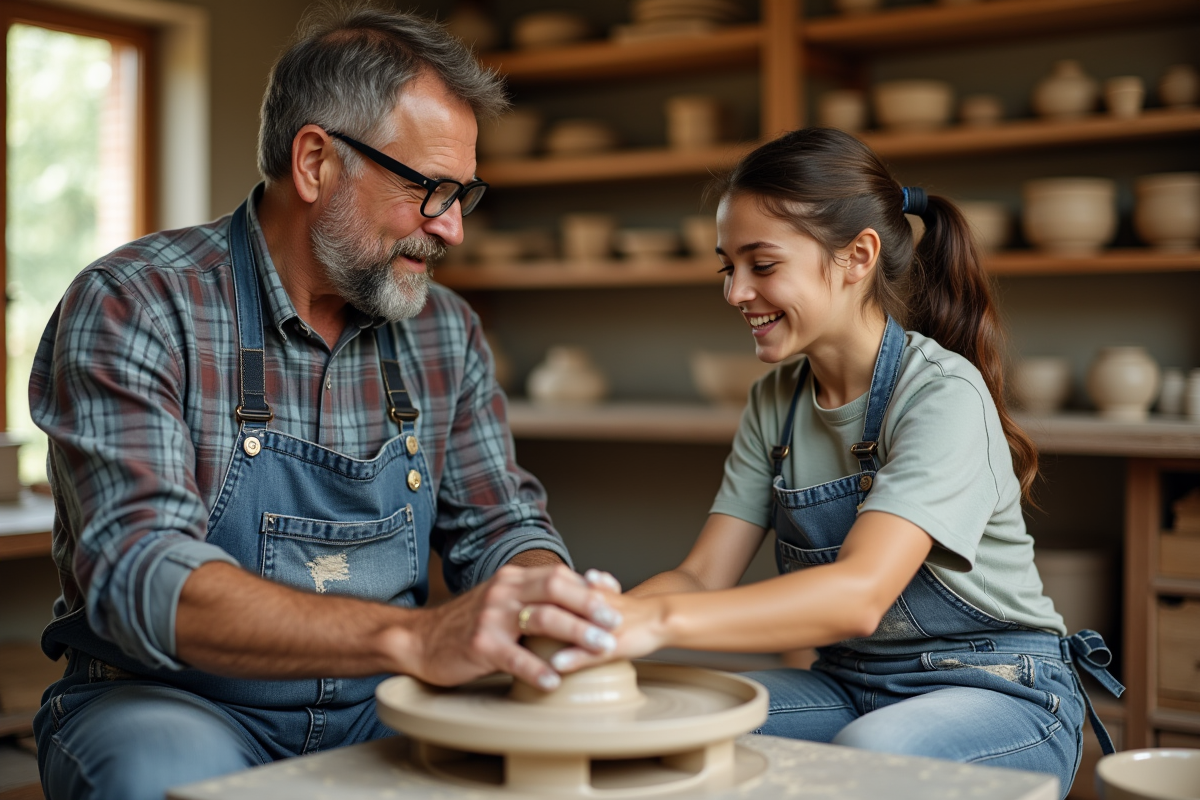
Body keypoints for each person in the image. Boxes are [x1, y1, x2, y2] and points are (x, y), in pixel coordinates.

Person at [29, 8, 622, 800]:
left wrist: (546, 593)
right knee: (161, 775)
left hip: (382, 703)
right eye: (429, 189)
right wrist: (414, 636)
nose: (452, 229)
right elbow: (144, 574)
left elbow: (500, 523)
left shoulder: (445, 332)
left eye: (463, 194)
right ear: (315, 163)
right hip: (173, 702)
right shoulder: (136, 304)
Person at [546, 128, 1123, 798]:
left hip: (1002, 692)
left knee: (871, 756)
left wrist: (657, 624)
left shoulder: (942, 395)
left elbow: (858, 596)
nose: (735, 292)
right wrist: (590, 622)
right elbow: (702, 575)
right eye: (726, 267)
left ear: (857, 258)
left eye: (761, 266)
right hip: (851, 685)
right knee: (679, 725)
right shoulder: (776, 403)